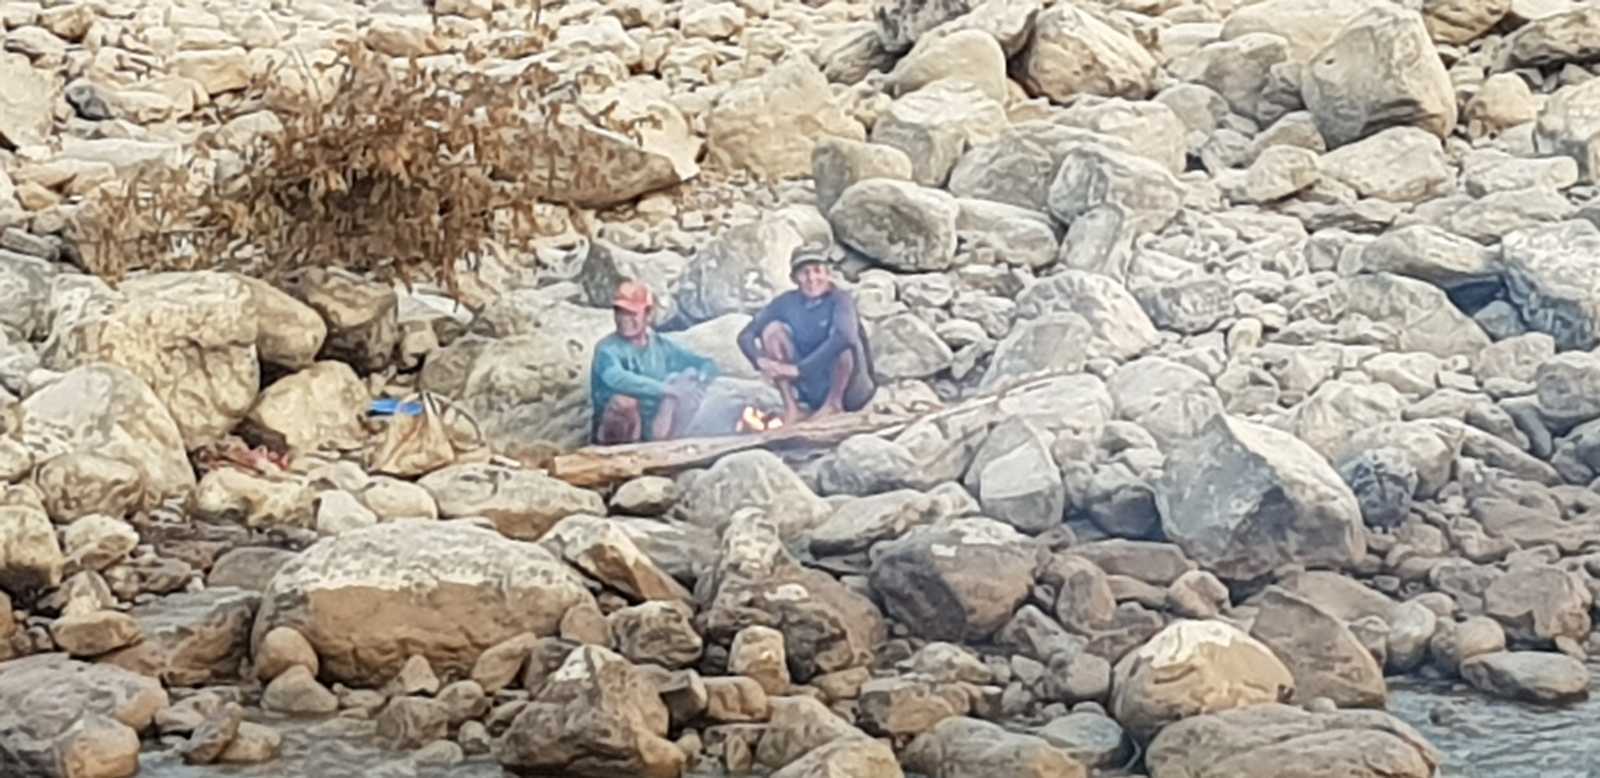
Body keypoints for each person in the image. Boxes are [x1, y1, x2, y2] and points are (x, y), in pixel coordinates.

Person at [737, 249, 877, 425]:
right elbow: (745, 335)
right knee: (772, 331)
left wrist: (800, 370)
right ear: (794, 278)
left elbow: (845, 337)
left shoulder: (841, 300)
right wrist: (760, 361)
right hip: (812, 387)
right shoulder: (787, 302)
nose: (811, 278)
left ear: (828, 274)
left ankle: (833, 405)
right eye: (805, 273)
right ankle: (792, 408)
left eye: (817, 271)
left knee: (842, 346)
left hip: (851, 391)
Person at [589, 280, 719, 444]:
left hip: (654, 425)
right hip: (619, 431)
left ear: (648, 314)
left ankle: (665, 443)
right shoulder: (606, 349)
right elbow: (617, 378)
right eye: (620, 313)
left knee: (687, 378)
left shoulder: (660, 346)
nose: (624, 319)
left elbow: (704, 363)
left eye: (631, 314)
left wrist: (701, 378)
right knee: (624, 403)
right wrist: (667, 389)